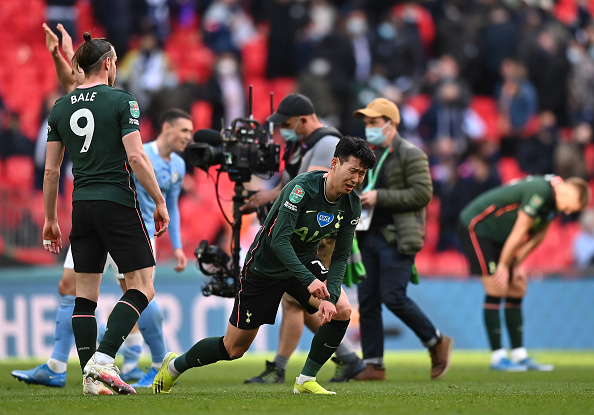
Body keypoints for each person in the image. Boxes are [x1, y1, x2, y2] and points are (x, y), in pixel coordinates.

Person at [153, 136, 376, 395]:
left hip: (303, 262)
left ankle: (305, 380)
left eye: (362, 174)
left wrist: (331, 295)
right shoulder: (302, 188)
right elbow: (278, 241)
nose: (356, 179)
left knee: (342, 309)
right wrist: (310, 280)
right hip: (265, 266)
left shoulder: (352, 204)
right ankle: (174, 366)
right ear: (335, 163)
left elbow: (340, 255)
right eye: (353, 170)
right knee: (233, 348)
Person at [42, 31, 170, 395]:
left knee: (85, 296)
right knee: (142, 286)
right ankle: (104, 358)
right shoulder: (122, 100)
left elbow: (51, 171)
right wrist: (159, 201)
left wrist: (50, 219)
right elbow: (136, 156)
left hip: (81, 206)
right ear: (109, 64)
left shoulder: (61, 106)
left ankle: (89, 379)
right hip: (117, 202)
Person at [241, 93, 364, 384]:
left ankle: (283, 367)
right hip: (306, 233)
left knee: (297, 301)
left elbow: (314, 188)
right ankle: (346, 357)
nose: (284, 130)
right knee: (300, 301)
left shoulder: (326, 144)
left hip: (318, 234)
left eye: (287, 124)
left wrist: (272, 197)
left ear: (304, 120)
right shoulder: (305, 144)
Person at [353, 98, 453, 381]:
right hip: (367, 235)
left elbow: (423, 194)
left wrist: (380, 197)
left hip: (396, 237)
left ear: (391, 124)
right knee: (367, 300)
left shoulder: (412, 154)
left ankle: (436, 341)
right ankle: (373, 364)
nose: (369, 127)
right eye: (366, 123)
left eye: (374, 122)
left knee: (393, 297)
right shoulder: (368, 156)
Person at [458, 175, 590, 371]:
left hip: (501, 236)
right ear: (567, 194)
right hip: (478, 226)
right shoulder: (541, 191)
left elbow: (538, 236)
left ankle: (519, 355)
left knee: (517, 287)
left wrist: (516, 263)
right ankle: (498, 357)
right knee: (496, 286)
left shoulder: (554, 202)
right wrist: (504, 265)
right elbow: (521, 229)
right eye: (570, 207)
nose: (568, 211)